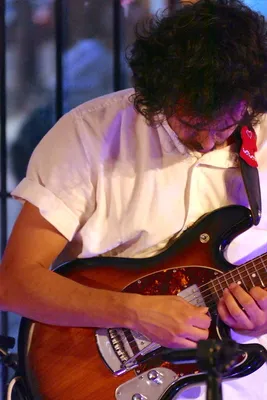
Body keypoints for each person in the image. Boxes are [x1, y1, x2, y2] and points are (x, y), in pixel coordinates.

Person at [2, 0, 267, 398]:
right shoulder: (88, 135)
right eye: (194, 124)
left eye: (227, 125)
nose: (210, 141)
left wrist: (258, 317)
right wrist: (134, 313)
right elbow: (15, 283)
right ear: (159, 93)